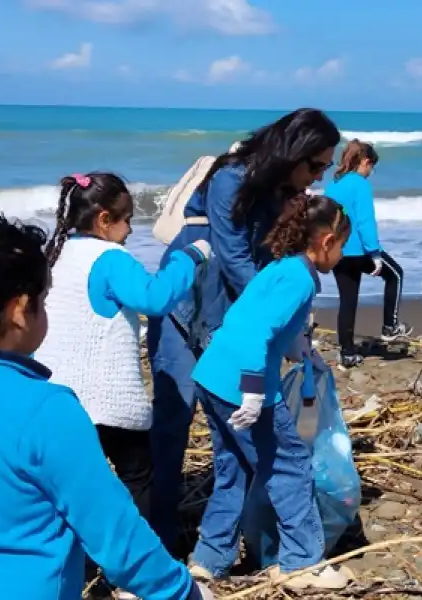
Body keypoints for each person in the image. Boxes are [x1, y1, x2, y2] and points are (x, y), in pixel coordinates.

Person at [0, 211, 213, 600]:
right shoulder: (45, 409)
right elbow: (117, 536)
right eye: (42, 301)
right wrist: (182, 591)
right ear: (18, 310)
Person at [147, 109, 340, 554]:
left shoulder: (286, 191)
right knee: (175, 413)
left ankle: (217, 543)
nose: (318, 176)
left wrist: (292, 331)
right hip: (191, 299)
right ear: (293, 151)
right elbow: (233, 256)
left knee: (231, 434)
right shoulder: (232, 177)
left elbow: (275, 255)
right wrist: (271, 315)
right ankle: (159, 531)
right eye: (315, 165)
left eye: (325, 168)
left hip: (236, 309)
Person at [34, 172, 211, 595]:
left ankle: (72, 567)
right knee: (138, 479)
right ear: (103, 218)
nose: (131, 230)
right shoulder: (109, 259)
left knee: (65, 486)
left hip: (55, 399)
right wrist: (190, 257)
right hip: (105, 400)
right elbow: (154, 298)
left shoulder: (51, 254)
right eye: (128, 220)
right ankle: (138, 572)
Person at [188, 194, 353, 590]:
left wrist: (299, 348)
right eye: (343, 246)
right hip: (242, 383)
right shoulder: (299, 280)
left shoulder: (279, 267)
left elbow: (247, 317)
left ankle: (209, 557)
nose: (343, 255)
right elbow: (255, 332)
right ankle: (301, 562)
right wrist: (253, 392)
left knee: (235, 467)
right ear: (327, 241)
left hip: (211, 375)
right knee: (290, 465)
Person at [324, 140, 411, 367]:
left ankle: (348, 353)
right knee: (396, 275)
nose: (371, 172)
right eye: (371, 166)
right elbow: (364, 221)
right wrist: (374, 253)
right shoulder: (360, 184)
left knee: (347, 301)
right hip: (360, 250)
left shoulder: (334, 184)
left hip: (338, 251)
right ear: (365, 161)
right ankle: (390, 326)